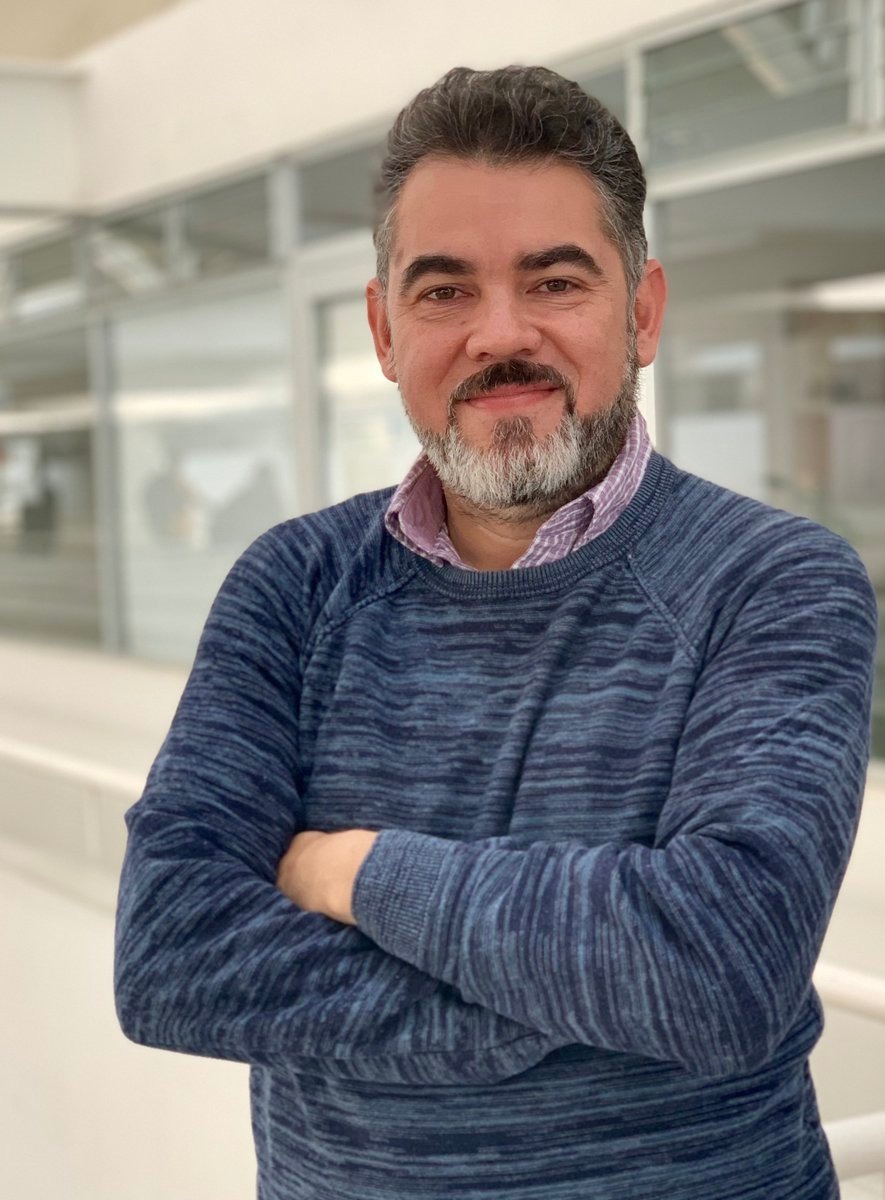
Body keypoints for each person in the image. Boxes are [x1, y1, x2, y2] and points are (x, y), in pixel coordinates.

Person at [114, 66, 878, 1200]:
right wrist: (571, 996)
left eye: (555, 281)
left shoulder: (772, 581)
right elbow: (173, 955)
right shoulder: (292, 587)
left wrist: (353, 870)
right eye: (444, 291)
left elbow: (722, 968)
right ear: (384, 329)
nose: (500, 334)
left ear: (642, 312)